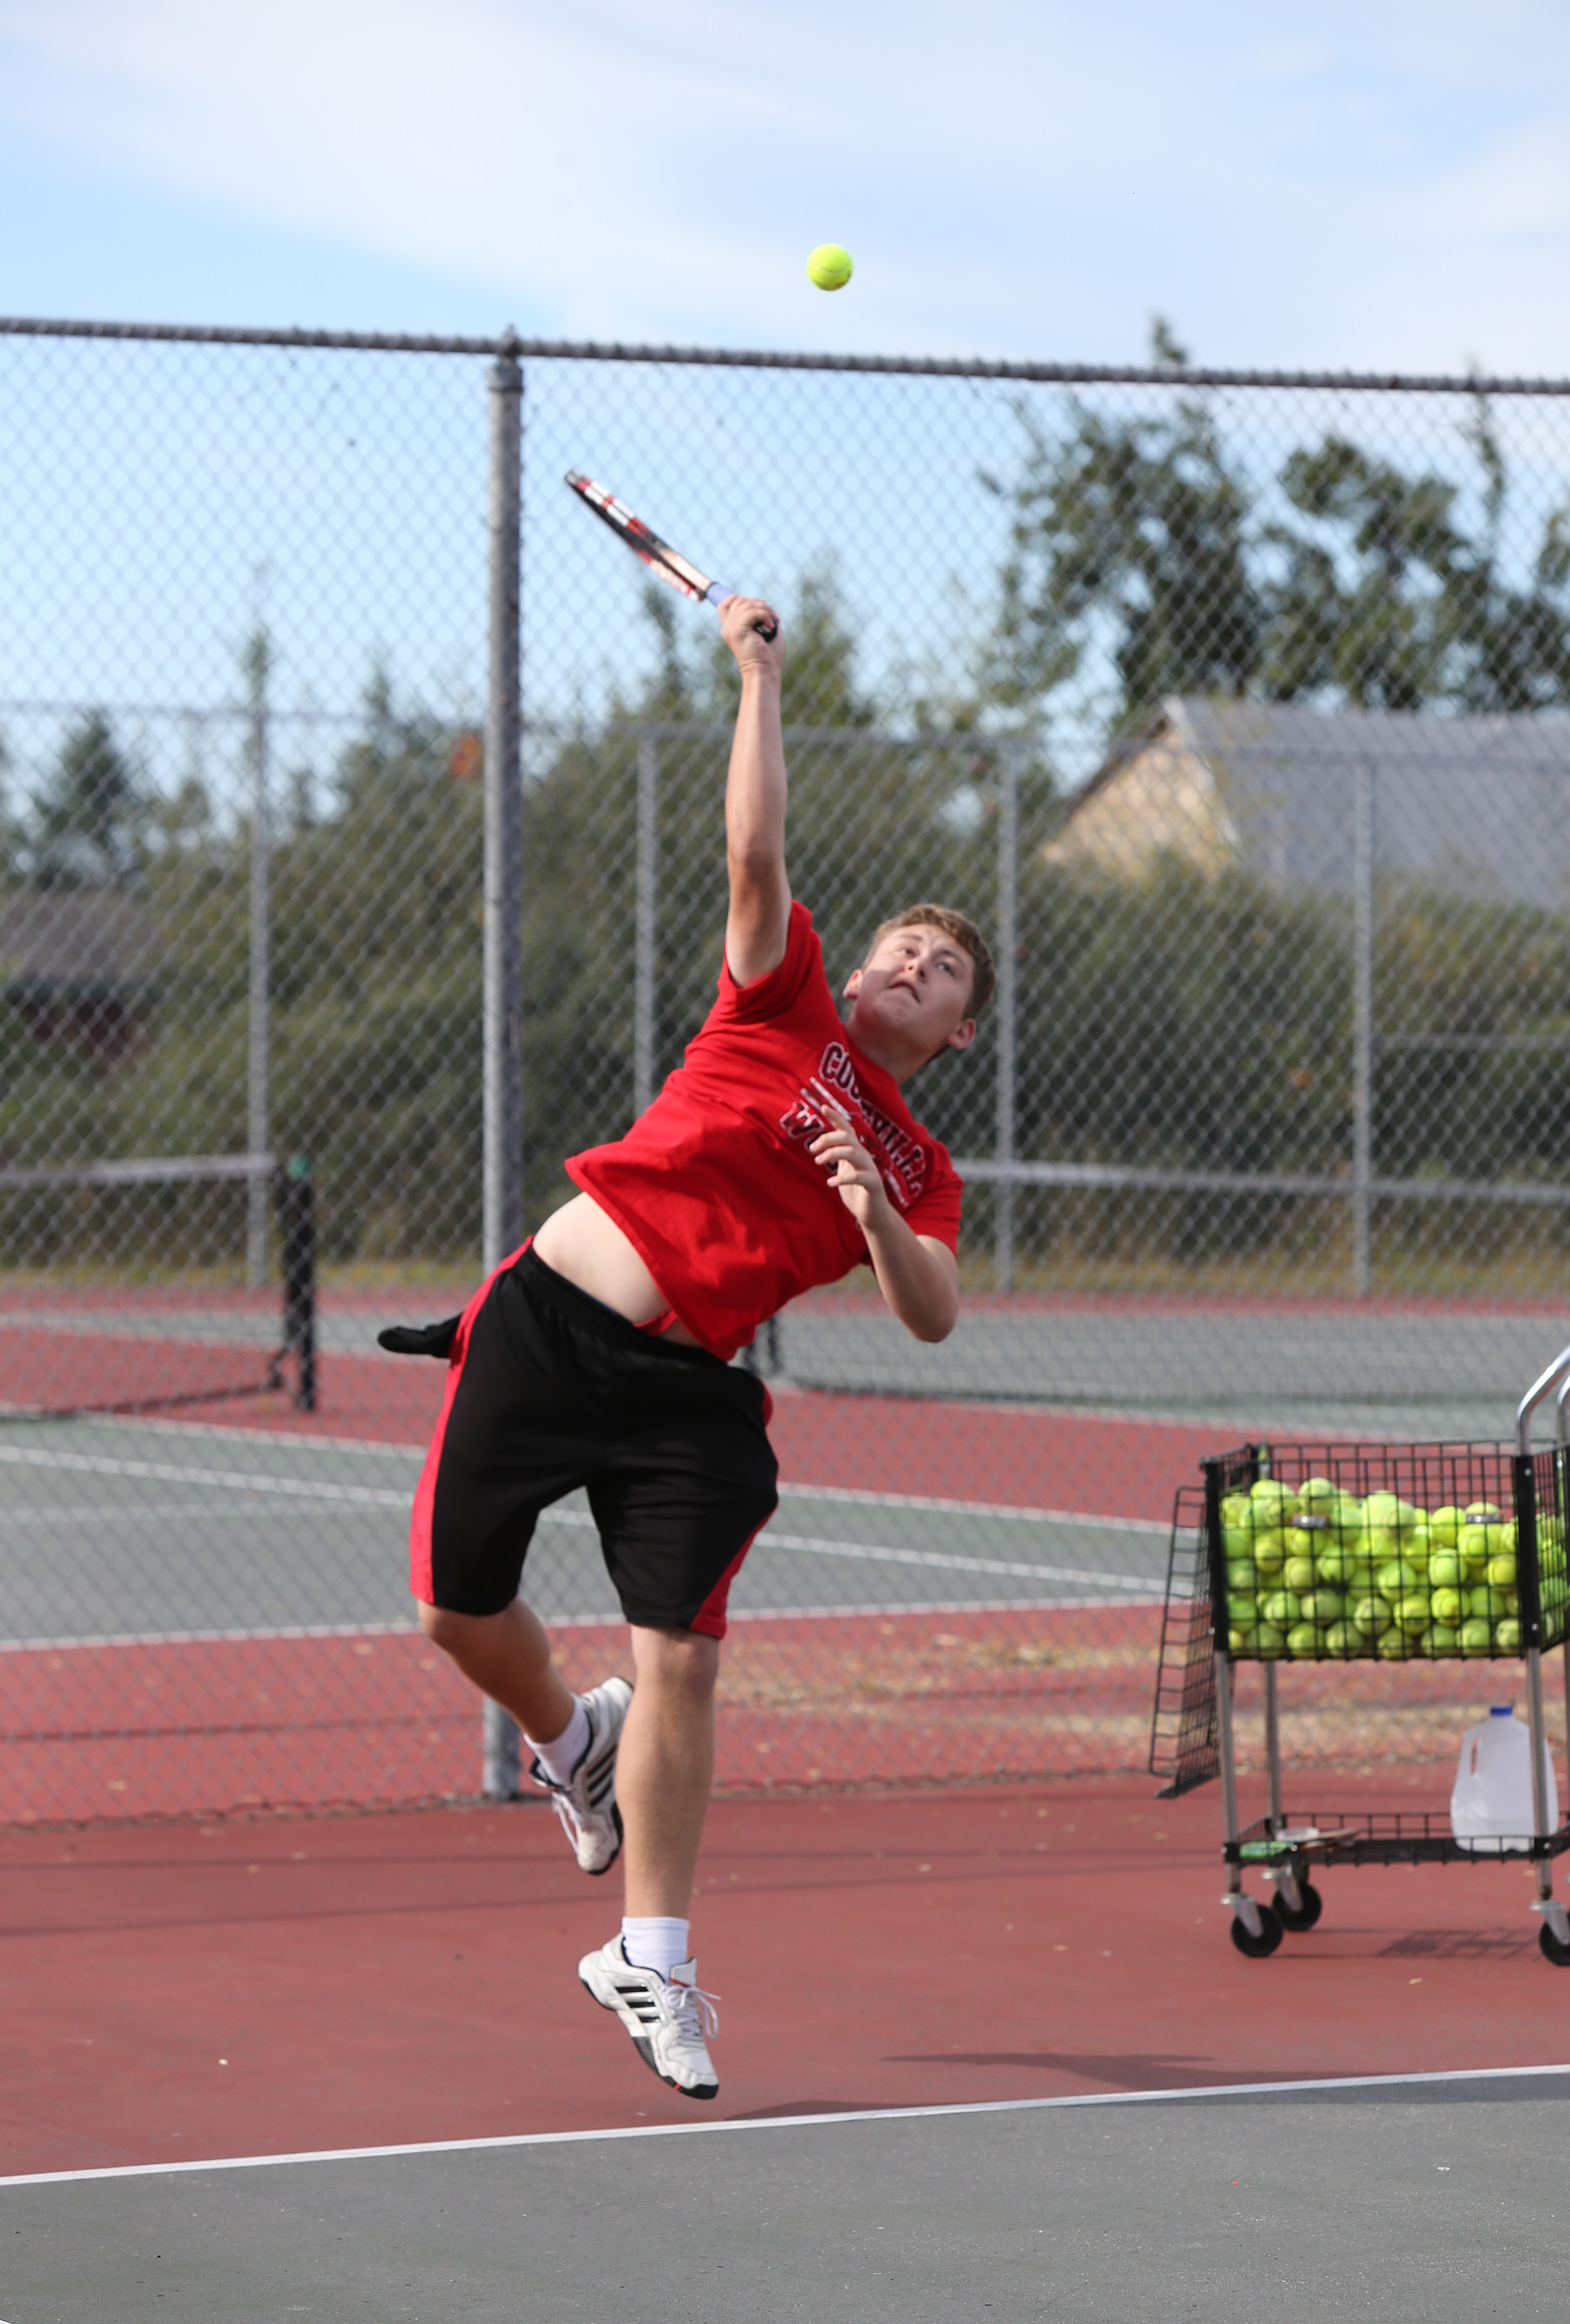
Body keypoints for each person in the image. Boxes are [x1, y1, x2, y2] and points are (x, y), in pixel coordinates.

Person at [408, 591, 994, 2099]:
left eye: (943, 969)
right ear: (850, 970)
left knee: (684, 1661)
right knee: (455, 1612)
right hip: (552, 1318)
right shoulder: (782, 994)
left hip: (687, 1394)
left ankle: (650, 1959)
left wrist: (872, 1210)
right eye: (902, 945)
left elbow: (932, 1308)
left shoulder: (922, 1164)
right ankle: (569, 1744)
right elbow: (753, 853)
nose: (913, 962)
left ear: (959, 1032)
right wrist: (757, 677)